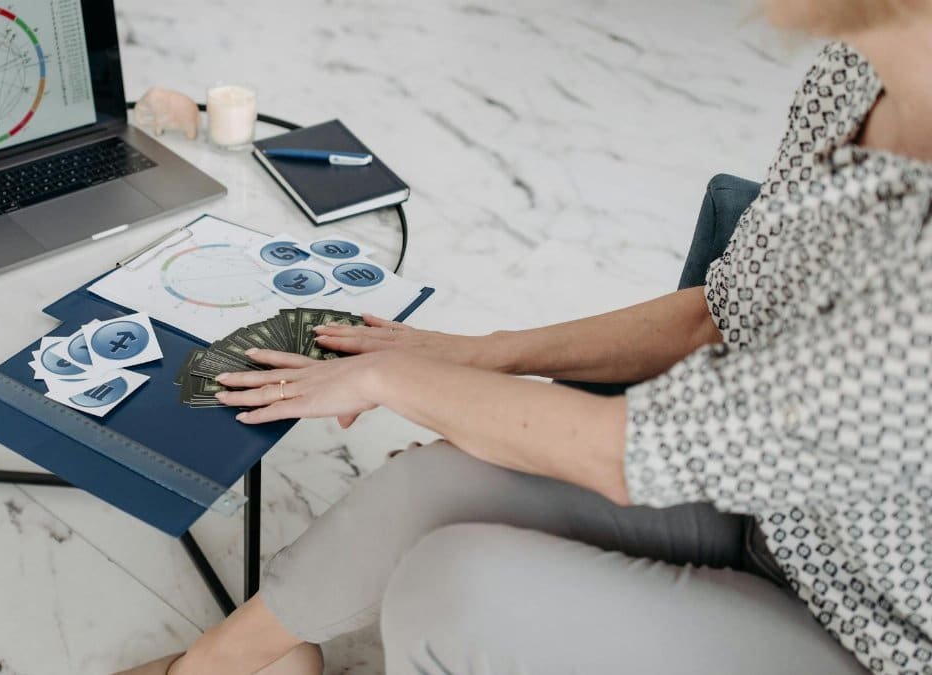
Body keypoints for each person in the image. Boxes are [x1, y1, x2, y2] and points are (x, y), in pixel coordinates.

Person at [115, 1, 932, 673]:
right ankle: (222, 664)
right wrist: (481, 352)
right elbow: (720, 311)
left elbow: (626, 450)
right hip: (778, 511)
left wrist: (393, 381)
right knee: (430, 487)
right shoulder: (858, 71)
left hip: (878, 636)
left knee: (451, 593)